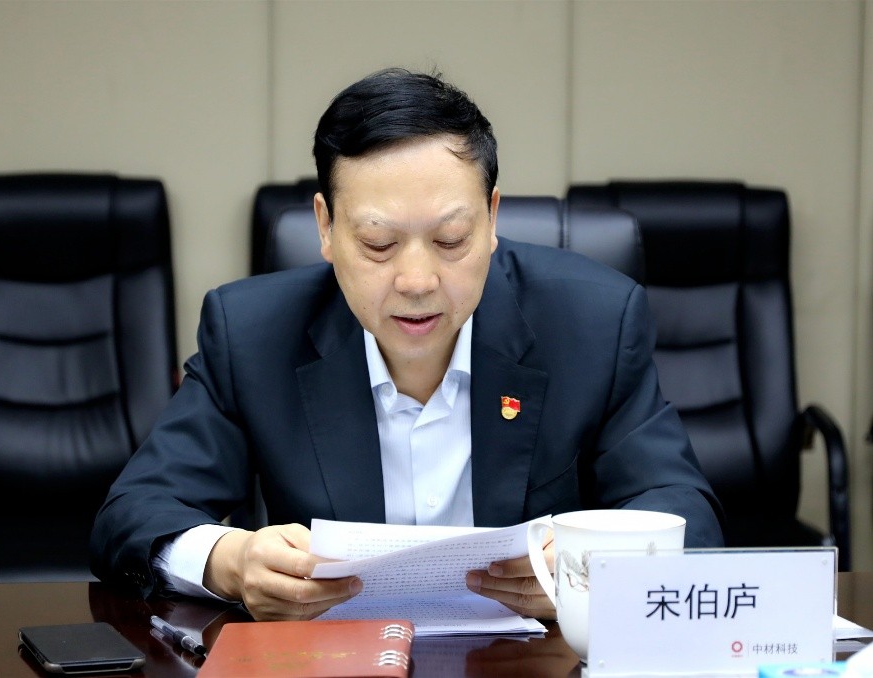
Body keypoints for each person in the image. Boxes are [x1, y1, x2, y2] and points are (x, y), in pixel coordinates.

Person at [90, 67, 724, 622]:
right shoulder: (253, 334)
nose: (417, 282)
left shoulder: (592, 322)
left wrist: (593, 564)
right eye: (378, 244)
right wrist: (229, 561)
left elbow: (686, 512)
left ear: (492, 217)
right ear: (326, 227)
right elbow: (134, 513)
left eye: (450, 240)